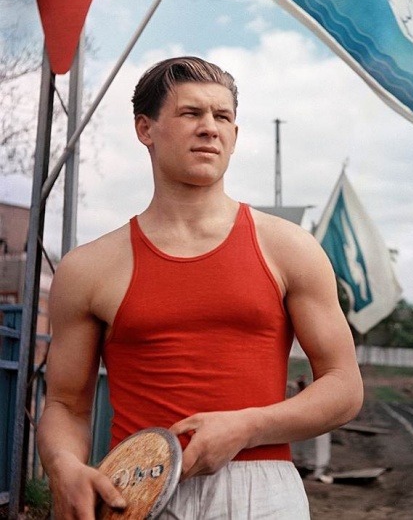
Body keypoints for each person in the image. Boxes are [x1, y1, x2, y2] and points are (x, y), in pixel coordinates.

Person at [36, 57, 364, 519]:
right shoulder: (88, 268)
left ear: (234, 133)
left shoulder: (289, 248)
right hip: (135, 494)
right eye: (191, 113)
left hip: (262, 491)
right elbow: (66, 406)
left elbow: (345, 387)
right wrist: (64, 466)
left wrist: (248, 426)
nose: (210, 128)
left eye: (223, 116)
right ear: (145, 129)